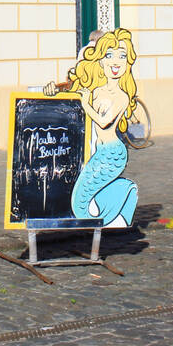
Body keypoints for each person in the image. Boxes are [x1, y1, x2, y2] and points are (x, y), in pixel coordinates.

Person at [64, 28, 139, 228]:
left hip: (112, 153)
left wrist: (86, 103)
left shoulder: (122, 96)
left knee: (81, 205)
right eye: (109, 55)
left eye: (122, 56)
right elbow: (75, 91)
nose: (115, 62)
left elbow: (104, 122)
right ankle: (124, 193)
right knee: (80, 201)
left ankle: (125, 196)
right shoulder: (98, 89)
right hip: (100, 150)